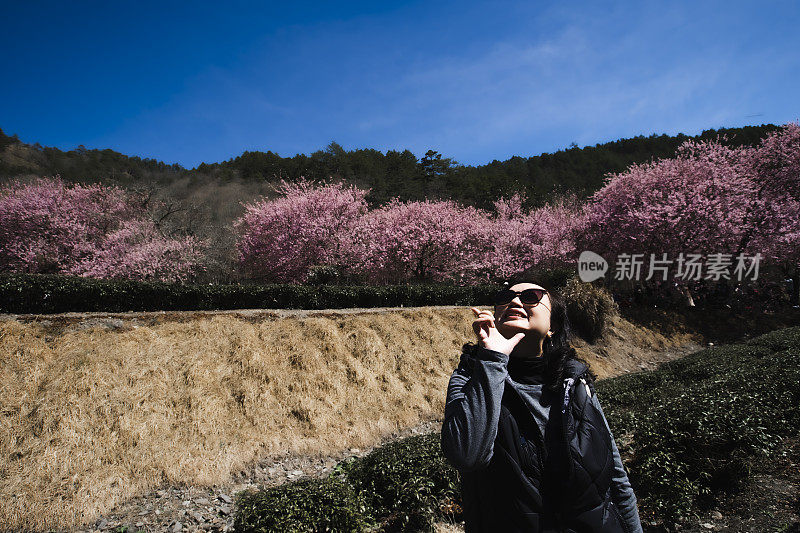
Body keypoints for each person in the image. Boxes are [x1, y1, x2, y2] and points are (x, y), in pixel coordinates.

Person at [440, 280, 643, 533]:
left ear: (553, 326)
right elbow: (467, 455)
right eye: (506, 296)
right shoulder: (470, 377)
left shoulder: (575, 381)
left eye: (530, 296)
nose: (514, 301)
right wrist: (492, 360)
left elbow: (615, 477)